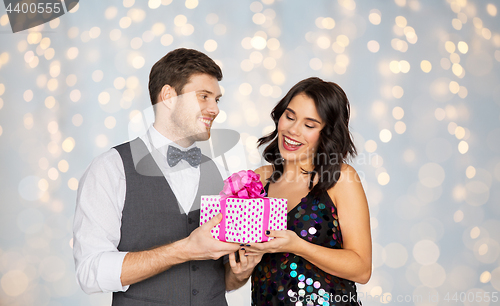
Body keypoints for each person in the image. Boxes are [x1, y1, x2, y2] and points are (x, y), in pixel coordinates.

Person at [73, 48, 257, 306]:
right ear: (168, 96)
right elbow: (90, 273)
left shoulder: (222, 174)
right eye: (204, 96)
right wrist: (184, 250)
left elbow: (223, 281)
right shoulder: (111, 168)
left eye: (217, 99)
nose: (214, 109)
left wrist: (241, 272)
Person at [243, 77, 372, 305]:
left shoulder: (341, 178)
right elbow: (242, 262)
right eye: (290, 117)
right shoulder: (260, 178)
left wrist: (297, 246)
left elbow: (361, 269)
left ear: (327, 133)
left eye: (309, 125)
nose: (293, 130)